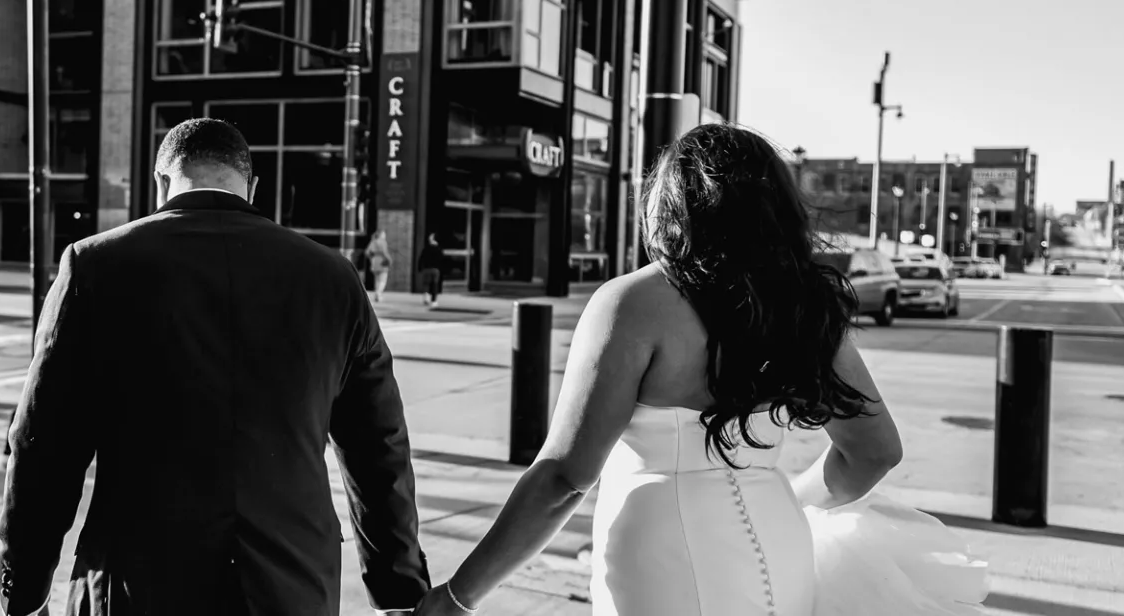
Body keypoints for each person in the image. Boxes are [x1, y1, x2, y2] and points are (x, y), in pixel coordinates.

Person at [414, 124, 981, 616]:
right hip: (780, 543)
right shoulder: (804, 306)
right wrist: (787, 497)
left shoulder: (633, 303)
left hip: (663, 552)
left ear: (670, 205)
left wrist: (459, 596)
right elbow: (875, 452)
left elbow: (565, 478)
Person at [0, 118, 430, 616]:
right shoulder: (331, 278)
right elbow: (380, 450)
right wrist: (399, 594)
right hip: (290, 581)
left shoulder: (95, 266)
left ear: (161, 181)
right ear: (252, 187)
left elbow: (43, 448)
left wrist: (25, 593)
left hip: (136, 583)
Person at [417, 233, 446, 309]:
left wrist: (420, 268)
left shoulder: (426, 248)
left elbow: (421, 258)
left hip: (427, 268)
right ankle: (434, 301)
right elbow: (442, 260)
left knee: (426, 284)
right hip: (435, 270)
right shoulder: (439, 249)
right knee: (434, 285)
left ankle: (426, 297)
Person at [366, 230, 393, 301]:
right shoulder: (383, 242)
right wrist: (389, 260)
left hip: (374, 261)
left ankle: (377, 294)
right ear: (381, 235)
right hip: (382, 261)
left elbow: (367, 252)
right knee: (383, 279)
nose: (385, 236)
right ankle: (378, 293)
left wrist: (372, 257)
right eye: (384, 234)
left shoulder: (373, 242)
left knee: (377, 279)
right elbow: (385, 252)